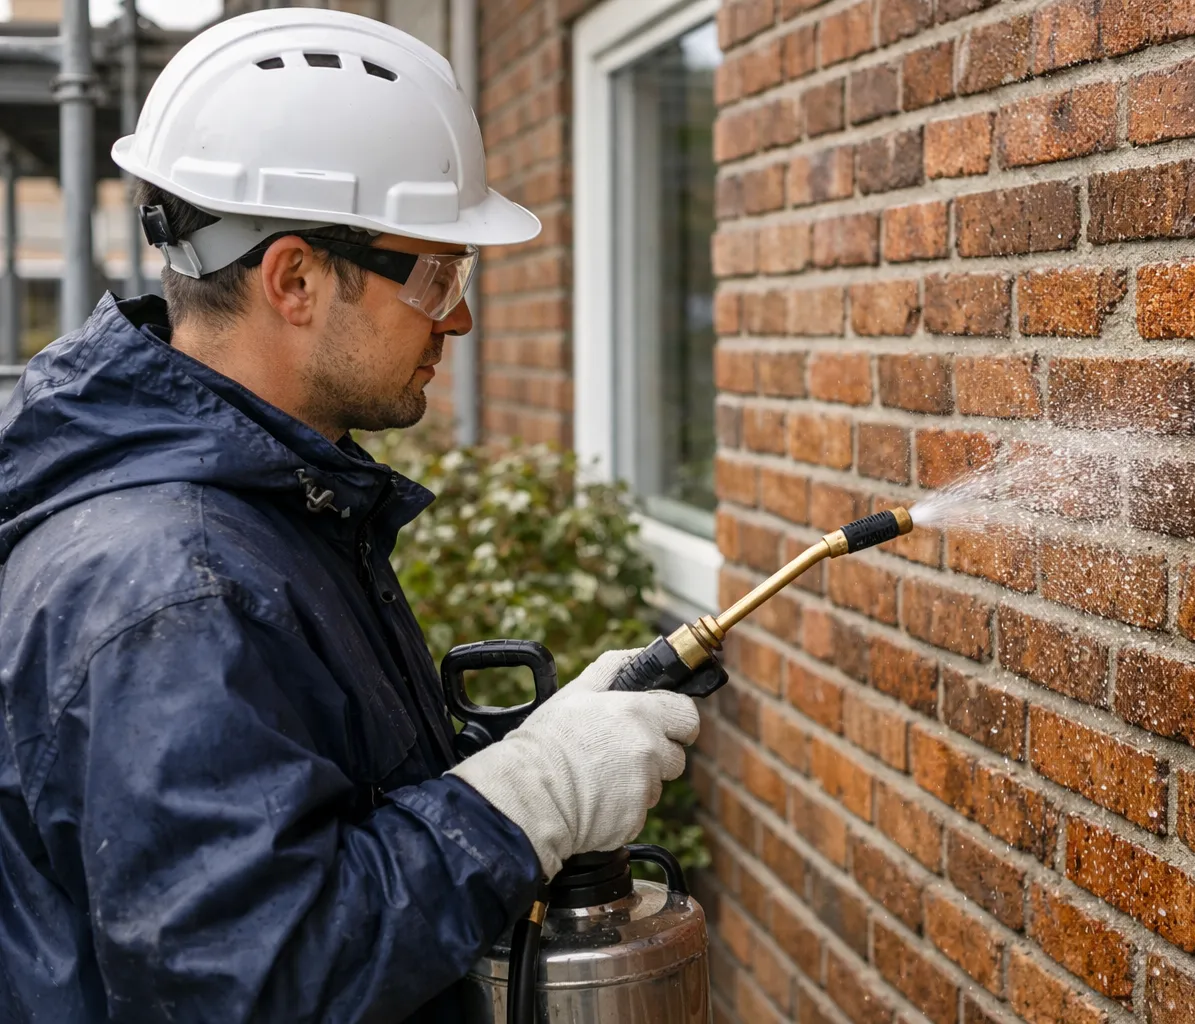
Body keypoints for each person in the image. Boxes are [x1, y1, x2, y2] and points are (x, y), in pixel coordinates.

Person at [0, 9, 698, 1022]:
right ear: (295, 277)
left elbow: (315, 821)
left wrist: (520, 761)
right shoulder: (173, 588)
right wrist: (529, 797)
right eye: (436, 272)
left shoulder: (267, 507)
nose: (456, 315)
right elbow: (256, 982)